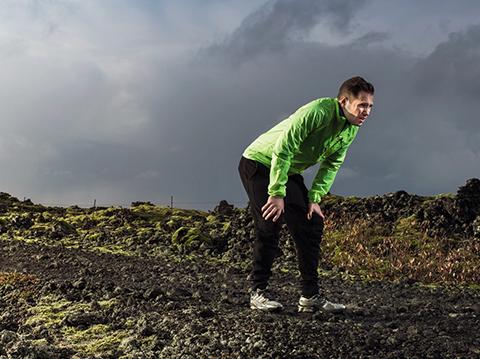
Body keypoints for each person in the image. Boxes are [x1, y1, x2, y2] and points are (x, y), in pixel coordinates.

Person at [238, 76, 374, 312]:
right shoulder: (318, 112)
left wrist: (314, 199)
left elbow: (332, 164)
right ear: (344, 101)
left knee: (312, 223)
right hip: (259, 163)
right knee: (271, 220)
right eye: (362, 105)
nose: (367, 111)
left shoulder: (351, 128)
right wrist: (277, 193)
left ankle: (310, 297)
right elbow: (284, 148)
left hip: (287, 169)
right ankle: (257, 293)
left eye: (370, 106)